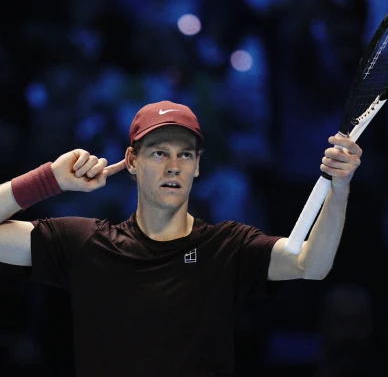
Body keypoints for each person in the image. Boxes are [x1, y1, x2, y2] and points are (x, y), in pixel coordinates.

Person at [0, 100, 362, 377]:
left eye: (185, 154)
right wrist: (49, 179)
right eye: (159, 152)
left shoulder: (226, 248)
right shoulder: (86, 242)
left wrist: (340, 187)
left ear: (197, 165)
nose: (173, 166)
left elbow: (311, 264)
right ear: (132, 161)